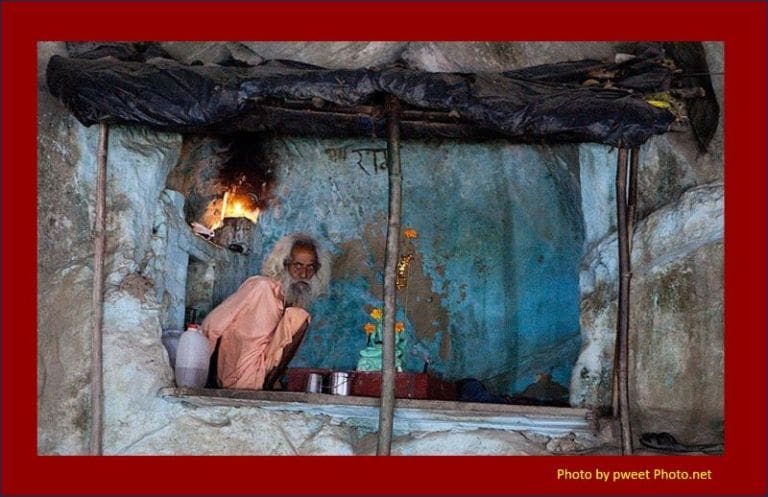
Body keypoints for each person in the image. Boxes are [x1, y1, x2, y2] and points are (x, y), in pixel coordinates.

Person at [200, 233, 330, 390]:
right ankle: (266, 386)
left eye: (310, 267)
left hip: (261, 376)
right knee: (299, 318)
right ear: (284, 264)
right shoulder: (261, 287)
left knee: (297, 315)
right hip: (238, 376)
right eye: (298, 265)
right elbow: (211, 325)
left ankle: (269, 385)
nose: (304, 274)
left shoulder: (288, 300)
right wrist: (202, 374)